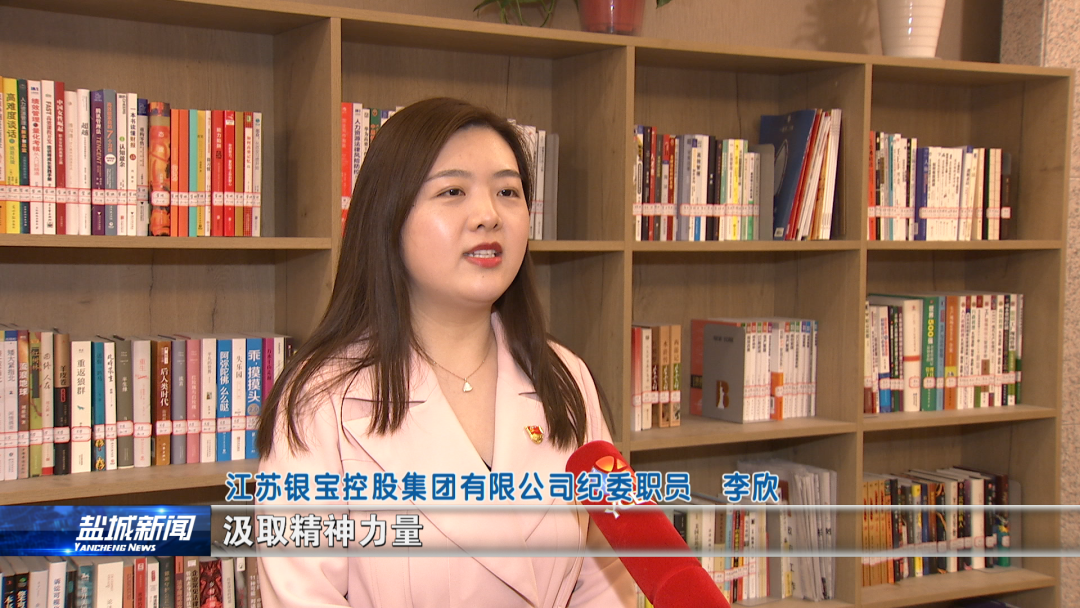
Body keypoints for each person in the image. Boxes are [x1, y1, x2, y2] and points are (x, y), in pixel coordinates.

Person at [256, 97, 635, 607]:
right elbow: (304, 595)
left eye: (508, 192)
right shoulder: (320, 400)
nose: (488, 215)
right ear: (389, 216)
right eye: (453, 191)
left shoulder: (566, 377)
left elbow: (607, 571)